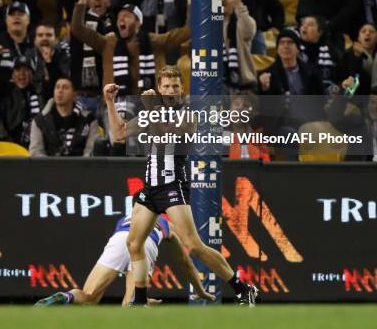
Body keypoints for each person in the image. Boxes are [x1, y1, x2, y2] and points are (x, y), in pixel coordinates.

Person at [103, 66, 258, 306]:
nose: (171, 91)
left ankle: (242, 288)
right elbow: (119, 134)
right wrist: (110, 102)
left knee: (193, 245)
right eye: (166, 86)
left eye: (175, 86)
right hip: (150, 188)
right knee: (133, 244)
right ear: (159, 87)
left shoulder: (187, 114)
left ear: (182, 89)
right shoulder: (152, 111)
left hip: (172, 185)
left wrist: (153, 108)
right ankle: (140, 300)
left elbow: (173, 133)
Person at [35, 201, 214, 306]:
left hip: (121, 239)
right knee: (130, 305)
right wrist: (200, 290)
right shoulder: (168, 225)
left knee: (89, 297)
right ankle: (136, 301)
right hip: (146, 245)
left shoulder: (129, 216)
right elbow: (185, 262)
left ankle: (66, 297)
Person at [72, 0, 191, 96]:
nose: (121, 19)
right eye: (119, 17)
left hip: (149, 107)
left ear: (138, 23)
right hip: (116, 106)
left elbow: (188, 30)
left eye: (126, 16)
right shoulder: (108, 42)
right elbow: (77, 28)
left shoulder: (154, 41)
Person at [29, 78, 98, 157]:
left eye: (65, 87)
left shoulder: (89, 120)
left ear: (74, 94)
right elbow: (36, 151)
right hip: (49, 167)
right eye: (57, 87)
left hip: (80, 167)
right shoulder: (39, 121)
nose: (60, 91)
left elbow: (90, 150)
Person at [0, 0, 33, 104]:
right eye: (12, 14)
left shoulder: (35, 42)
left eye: (21, 14)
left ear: (28, 19)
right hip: (3, 98)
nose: (16, 17)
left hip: (31, 95)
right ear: (6, 20)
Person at [0, 56, 41, 148]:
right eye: (18, 70)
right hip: (11, 149)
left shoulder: (41, 94)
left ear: (32, 74)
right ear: (12, 75)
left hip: (37, 148)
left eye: (26, 70)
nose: (22, 74)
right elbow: (0, 131)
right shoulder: (4, 96)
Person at [222, 0, 257, 92]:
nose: (224, 1)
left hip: (243, 83)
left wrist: (238, 5)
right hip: (220, 84)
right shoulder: (211, 25)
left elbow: (247, 31)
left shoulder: (243, 20)